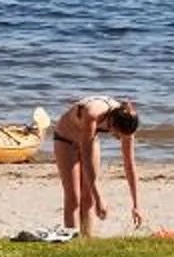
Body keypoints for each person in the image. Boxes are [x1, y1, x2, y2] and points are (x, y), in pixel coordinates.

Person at [52, 95, 142, 236]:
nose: (120, 138)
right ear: (111, 123)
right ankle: (72, 240)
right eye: (118, 135)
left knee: (88, 198)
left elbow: (129, 164)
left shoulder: (127, 124)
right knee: (74, 197)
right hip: (66, 139)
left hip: (90, 139)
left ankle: (87, 239)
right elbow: (86, 158)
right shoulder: (92, 114)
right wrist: (100, 199)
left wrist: (136, 205)